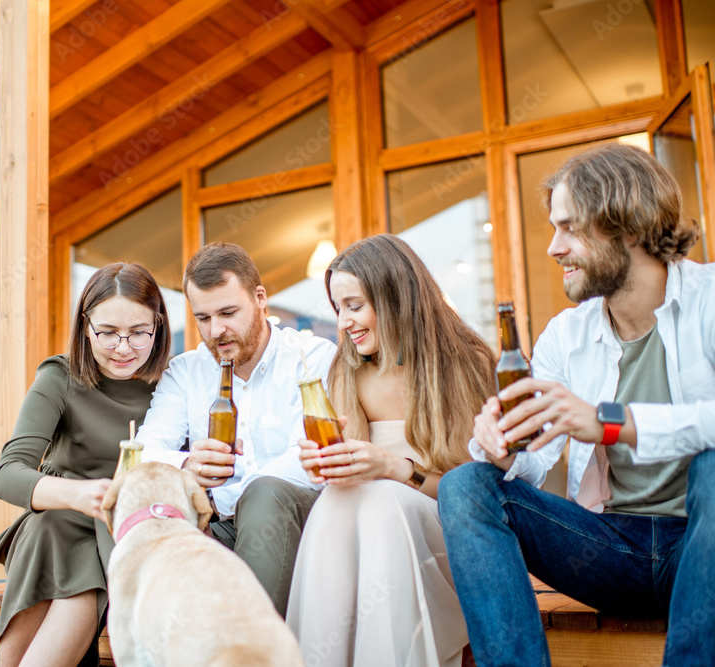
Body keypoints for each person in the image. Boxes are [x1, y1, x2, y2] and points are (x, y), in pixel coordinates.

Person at [438, 143, 715, 666]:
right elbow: (535, 460)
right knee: (466, 485)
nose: (554, 247)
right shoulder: (565, 336)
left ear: (627, 225)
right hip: (609, 550)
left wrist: (611, 423)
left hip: (700, 552)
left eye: (570, 227)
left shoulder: (710, 300)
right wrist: (501, 446)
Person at [286, 234, 498, 667]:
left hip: (452, 539)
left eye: (355, 305)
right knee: (336, 499)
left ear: (396, 298)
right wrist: (324, 466)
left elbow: (480, 497)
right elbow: (347, 474)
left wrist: (396, 468)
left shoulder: (465, 363)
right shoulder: (347, 371)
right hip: (368, 533)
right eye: (338, 308)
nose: (344, 322)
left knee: (379, 499)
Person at [137, 242, 336, 616]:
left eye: (228, 312)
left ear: (260, 298)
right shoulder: (185, 371)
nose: (216, 331)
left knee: (264, 494)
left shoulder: (312, 358)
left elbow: (311, 458)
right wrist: (186, 467)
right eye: (204, 318)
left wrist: (229, 499)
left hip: (304, 521)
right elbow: (143, 453)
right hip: (217, 527)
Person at [0, 263, 172, 667]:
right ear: (85, 325)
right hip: (61, 520)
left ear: (158, 326)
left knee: (84, 558)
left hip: (130, 526)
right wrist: (77, 494)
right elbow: (9, 474)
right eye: (107, 332)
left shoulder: (173, 382)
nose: (123, 347)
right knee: (52, 527)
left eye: (139, 332)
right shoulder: (61, 377)